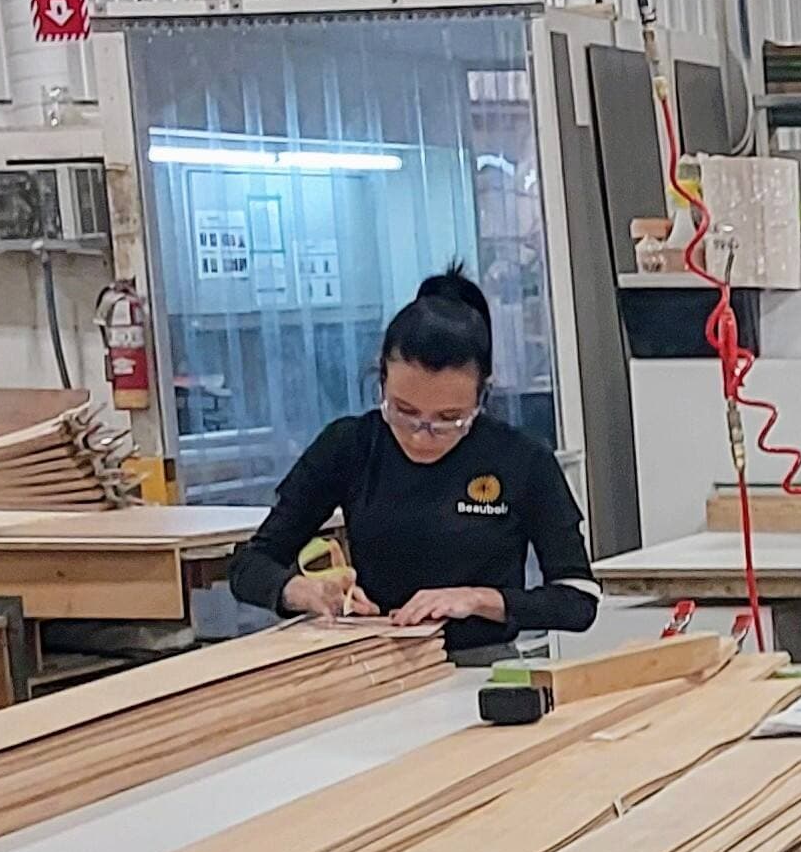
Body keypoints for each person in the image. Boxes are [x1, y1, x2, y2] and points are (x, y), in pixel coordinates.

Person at [229, 266, 597, 658]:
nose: (422, 434)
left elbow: (578, 600)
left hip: (480, 667)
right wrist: (299, 590)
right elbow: (249, 565)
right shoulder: (350, 445)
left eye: (448, 419)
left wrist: (481, 599)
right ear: (382, 379)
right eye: (404, 412)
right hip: (376, 664)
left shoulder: (521, 459)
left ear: (482, 396)